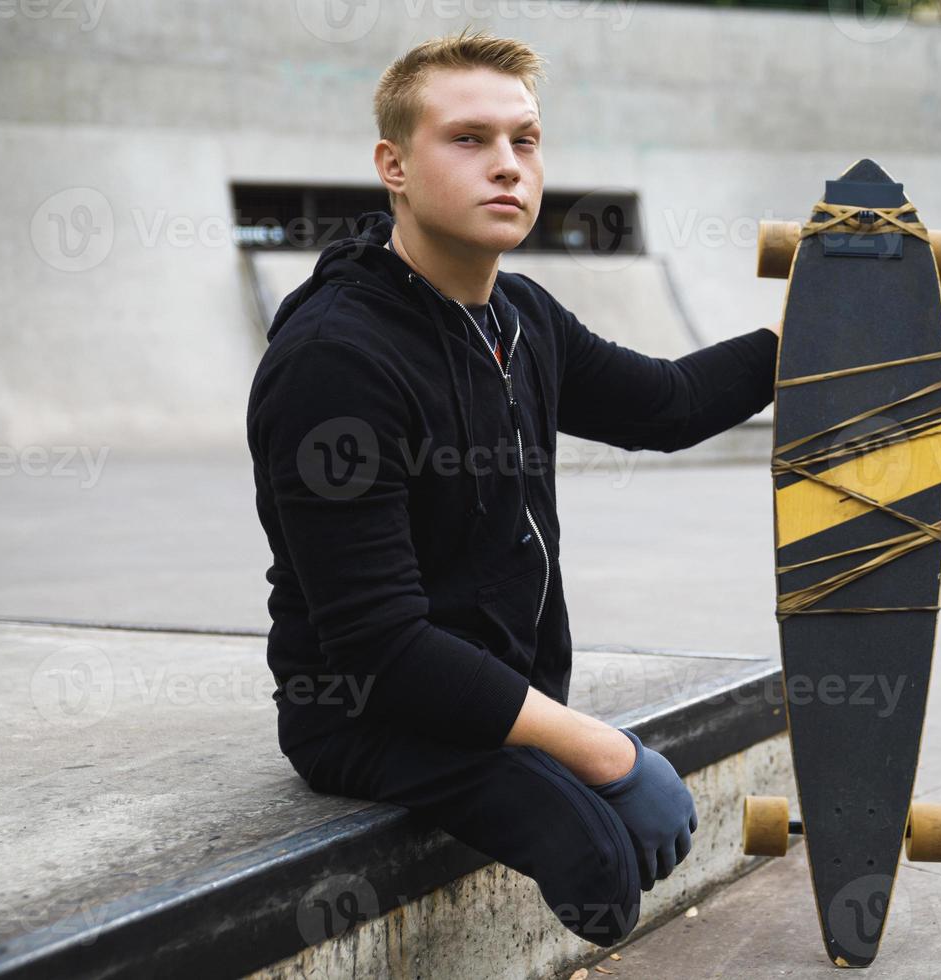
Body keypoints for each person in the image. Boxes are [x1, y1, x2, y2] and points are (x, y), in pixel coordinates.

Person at [246, 31, 779, 947]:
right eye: (468, 139)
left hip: (499, 694)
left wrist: (816, 338)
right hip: (367, 714)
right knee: (603, 874)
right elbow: (380, 644)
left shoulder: (517, 314)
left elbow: (669, 405)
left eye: (524, 141)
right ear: (394, 165)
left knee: (608, 856)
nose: (506, 167)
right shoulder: (335, 361)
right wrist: (602, 747)